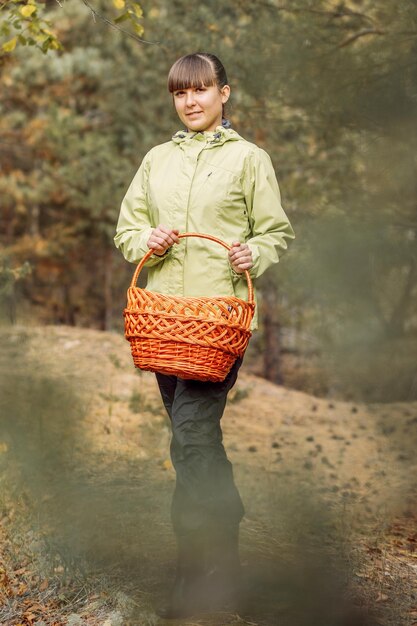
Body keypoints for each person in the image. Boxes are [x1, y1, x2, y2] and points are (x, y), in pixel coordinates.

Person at [114, 52, 295, 619]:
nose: (190, 102)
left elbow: (275, 233)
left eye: (201, 90)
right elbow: (127, 229)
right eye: (180, 93)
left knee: (190, 438)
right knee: (195, 443)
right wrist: (149, 240)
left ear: (224, 93)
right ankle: (219, 555)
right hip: (163, 324)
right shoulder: (156, 160)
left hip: (219, 324)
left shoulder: (249, 159)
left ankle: (200, 579)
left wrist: (253, 251)